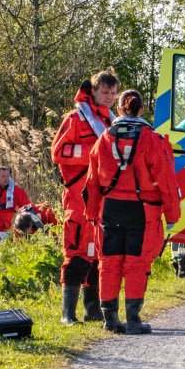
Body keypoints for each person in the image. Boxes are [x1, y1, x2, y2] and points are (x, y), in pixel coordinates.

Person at [89, 88, 180, 334]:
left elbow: (92, 182)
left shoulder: (104, 139)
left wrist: (91, 213)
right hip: (142, 210)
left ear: (118, 109)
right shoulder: (152, 140)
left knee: (109, 263)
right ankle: (133, 320)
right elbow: (166, 182)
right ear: (141, 109)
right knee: (136, 264)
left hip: (110, 208)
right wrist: (172, 215)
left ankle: (110, 319)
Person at [50, 71, 118, 325]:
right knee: (77, 251)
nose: (109, 97)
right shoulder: (76, 118)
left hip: (102, 198)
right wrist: (94, 152)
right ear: (93, 91)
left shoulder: (112, 120)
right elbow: (58, 152)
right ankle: (68, 314)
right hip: (78, 195)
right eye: (104, 92)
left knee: (98, 253)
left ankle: (93, 310)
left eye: (113, 93)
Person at [0, 166, 32, 233]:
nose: (6, 179)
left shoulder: (16, 191)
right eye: (3, 176)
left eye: (7, 176)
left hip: (4, 223)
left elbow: (28, 207)